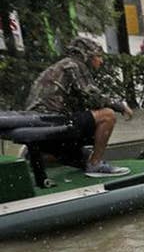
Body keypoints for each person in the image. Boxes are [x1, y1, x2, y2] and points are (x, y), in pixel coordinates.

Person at [25, 37, 134, 177]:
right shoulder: (75, 65)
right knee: (107, 115)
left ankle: (44, 154)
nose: (101, 61)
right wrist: (120, 106)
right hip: (52, 122)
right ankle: (95, 165)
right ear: (88, 55)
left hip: (40, 123)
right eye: (99, 56)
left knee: (84, 156)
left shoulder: (63, 65)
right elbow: (92, 97)